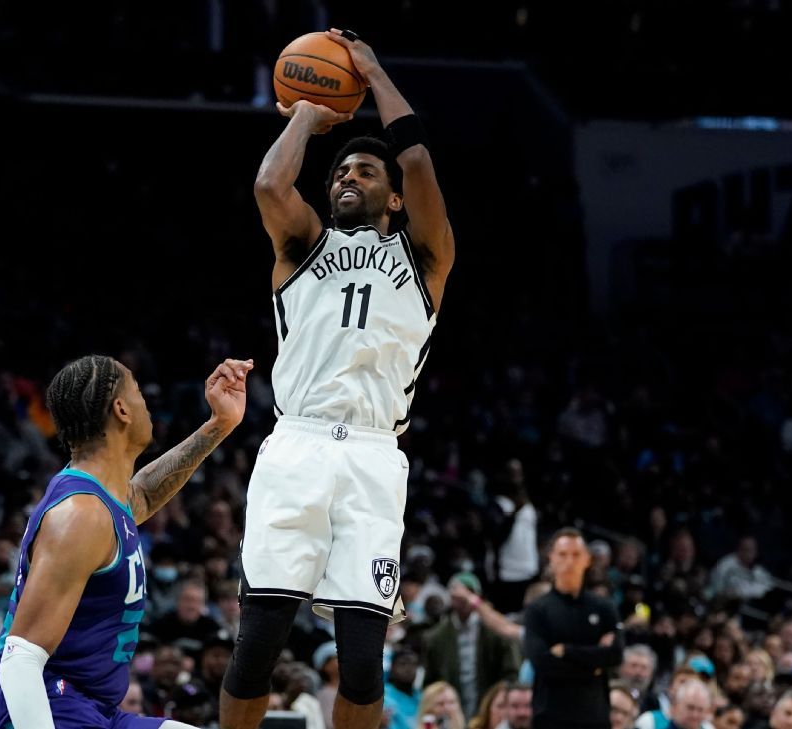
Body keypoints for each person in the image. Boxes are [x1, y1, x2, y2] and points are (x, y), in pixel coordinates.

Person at [222, 26, 455, 729]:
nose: (347, 176)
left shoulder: (424, 258)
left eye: (364, 173)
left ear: (392, 200)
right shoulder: (301, 246)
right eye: (340, 172)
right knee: (258, 641)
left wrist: (375, 72)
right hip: (298, 443)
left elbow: (415, 159)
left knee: (362, 661)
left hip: (375, 457)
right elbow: (270, 181)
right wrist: (305, 113)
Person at [0, 354, 252, 729]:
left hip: (90, 706)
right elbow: (21, 658)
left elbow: (145, 497)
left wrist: (219, 425)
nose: (146, 401)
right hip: (39, 701)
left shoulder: (102, 500)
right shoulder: (81, 515)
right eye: (137, 390)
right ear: (121, 409)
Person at [524, 529, 624, 729]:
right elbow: (542, 662)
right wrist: (593, 663)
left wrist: (567, 651)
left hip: (594, 715)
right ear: (550, 558)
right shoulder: (538, 609)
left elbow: (615, 655)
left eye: (576, 555)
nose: (569, 562)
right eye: (562, 554)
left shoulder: (603, 607)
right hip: (550, 716)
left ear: (587, 559)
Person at [422, 573, 519, 714]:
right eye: (457, 593)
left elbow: (511, 673)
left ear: (477, 597)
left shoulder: (495, 632)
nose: (462, 598)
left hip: (489, 707)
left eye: (468, 593)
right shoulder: (435, 637)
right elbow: (430, 681)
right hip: (449, 710)